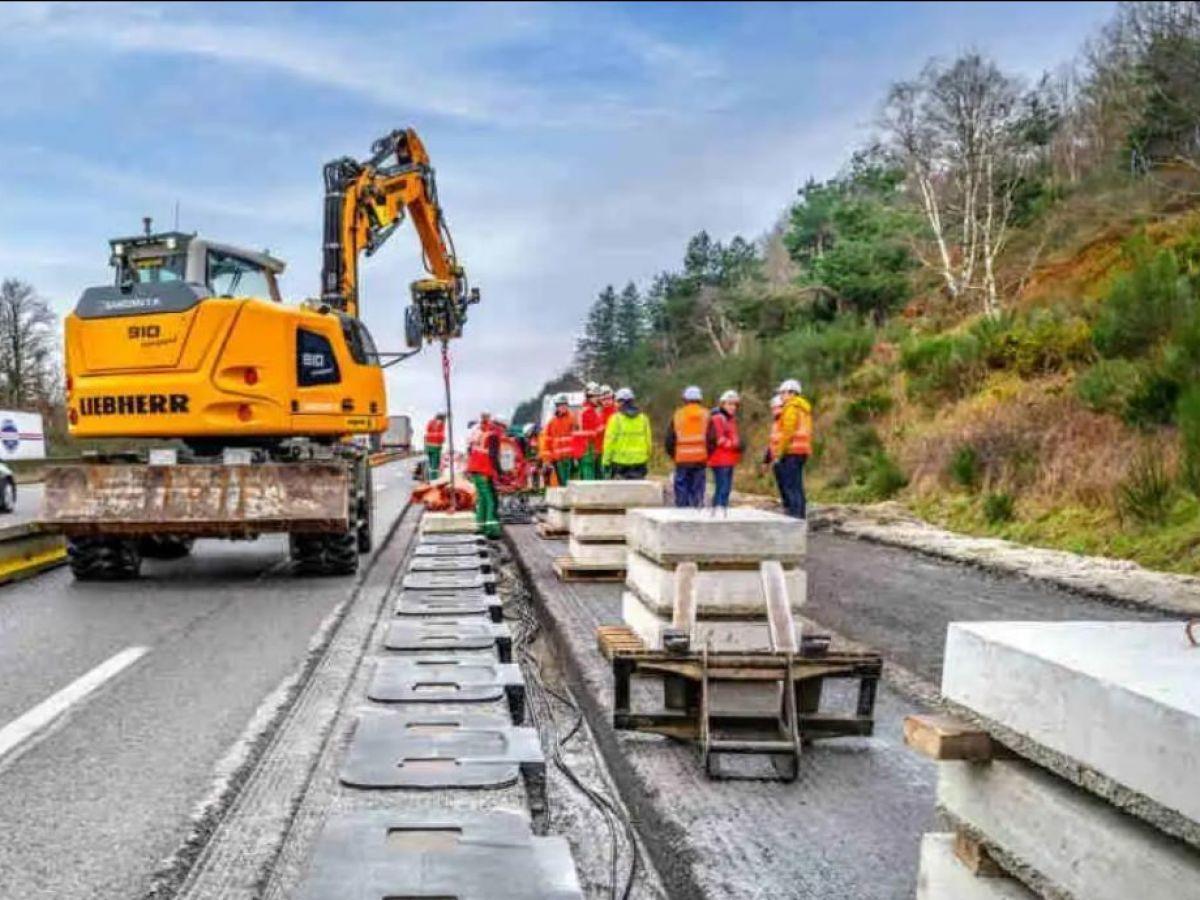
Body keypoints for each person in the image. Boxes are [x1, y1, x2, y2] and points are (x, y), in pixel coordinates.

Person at [665, 385, 716, 508]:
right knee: (697, 488)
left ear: (685, 399)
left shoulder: (678, 415)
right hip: (700, 459)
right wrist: (707, 455)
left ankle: (682, 511)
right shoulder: (706, 415)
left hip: (682, 459)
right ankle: (696, 510)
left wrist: (674, 455)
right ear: (700, 399)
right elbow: (712, 439)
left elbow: (670, 440)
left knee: (681, 488)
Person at [772, 379, 812, 519]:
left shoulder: (791, 407)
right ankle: (800, 515)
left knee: (791, 486)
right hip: (802, 451)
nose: (781, 396)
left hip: (791, 451)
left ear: (791, 393)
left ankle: (795, 517)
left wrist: (780, 452)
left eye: (783, 393)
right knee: (797, 485)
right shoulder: (803, 408)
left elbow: (788, 431)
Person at [466, 411, 502, 539]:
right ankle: (491, 529)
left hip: (475, 469)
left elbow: (470, 449)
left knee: (482, 499)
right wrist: (500, 472)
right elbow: (493, 456)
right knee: (490, 500)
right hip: (483, 470)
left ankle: (480, 526)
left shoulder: (479, 432)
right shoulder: (493, 435)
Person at [602, 387, 652, 479]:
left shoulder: (615, 419)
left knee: (620, 488)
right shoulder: (643, 419)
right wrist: (647, 456)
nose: (616, 404)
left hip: (620, 463)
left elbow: (609, 442)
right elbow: (648, 441)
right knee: (638, 487)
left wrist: (606, 461)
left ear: (621, 402)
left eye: (617, 401)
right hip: (639, 462)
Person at [709, 389, 744, 509]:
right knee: (722, 489)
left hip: (728, 458)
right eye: (729, 404)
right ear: (722, 404)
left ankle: (721, 511)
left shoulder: (730, 419)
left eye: (734, 404)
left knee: (725, 489)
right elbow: (719, 439)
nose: (732, 407)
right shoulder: (718, 418)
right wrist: (735, 444)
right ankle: (718, 511)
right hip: (720, 459)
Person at [544, 394, 576, 487]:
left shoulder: (572, 420)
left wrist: (576, 456)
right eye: (560, 405)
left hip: (570, 458)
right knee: (562, 483)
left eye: (565, 405)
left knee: (571, 482)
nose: (563, 407)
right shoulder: (552, 423)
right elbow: (547, 442)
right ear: (557, 407)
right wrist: (547, 459)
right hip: (558, 459)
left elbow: (576, 438)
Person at [577, 383, 604, 480]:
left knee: (599, 478)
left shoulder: (596, 410)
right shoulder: (586, 411)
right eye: (595, 396)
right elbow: (587, 432)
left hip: (597, 448)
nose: (598, 398)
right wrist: (601, 429)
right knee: (589, 479)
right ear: (588, 397)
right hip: (588, 448)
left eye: (598, 395)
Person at [598, 385, 617, 477]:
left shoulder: (617, 412)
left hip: (616, 451)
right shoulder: (599, 413)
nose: (606, 401)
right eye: (604, 399)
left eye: (608, 398)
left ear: (613, 398)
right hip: (602, 450)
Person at [423, 412, 446, 479]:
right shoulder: (441, 424)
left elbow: (427, 432)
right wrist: (443, 440)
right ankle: (434, 479)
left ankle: (429, 478)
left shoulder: (430, 422)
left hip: (428, 447)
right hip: (436, 447)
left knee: (430, 464)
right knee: (435, 465)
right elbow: (441, 436)